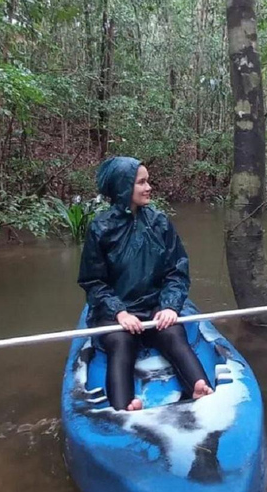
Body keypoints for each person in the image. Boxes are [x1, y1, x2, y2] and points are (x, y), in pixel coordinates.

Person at [77, 156, 214, 411]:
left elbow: (177, 271)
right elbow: (93, 282)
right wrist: (119, 312)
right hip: (114, 312)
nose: (149, 187)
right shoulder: (100, 228)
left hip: (154, 306)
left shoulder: (159, 222)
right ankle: (125, 406)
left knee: (173, 332)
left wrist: (170, 306)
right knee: (121, 341)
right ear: (123, 187)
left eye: (147, 181)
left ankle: (199, 387)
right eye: (141, 182)